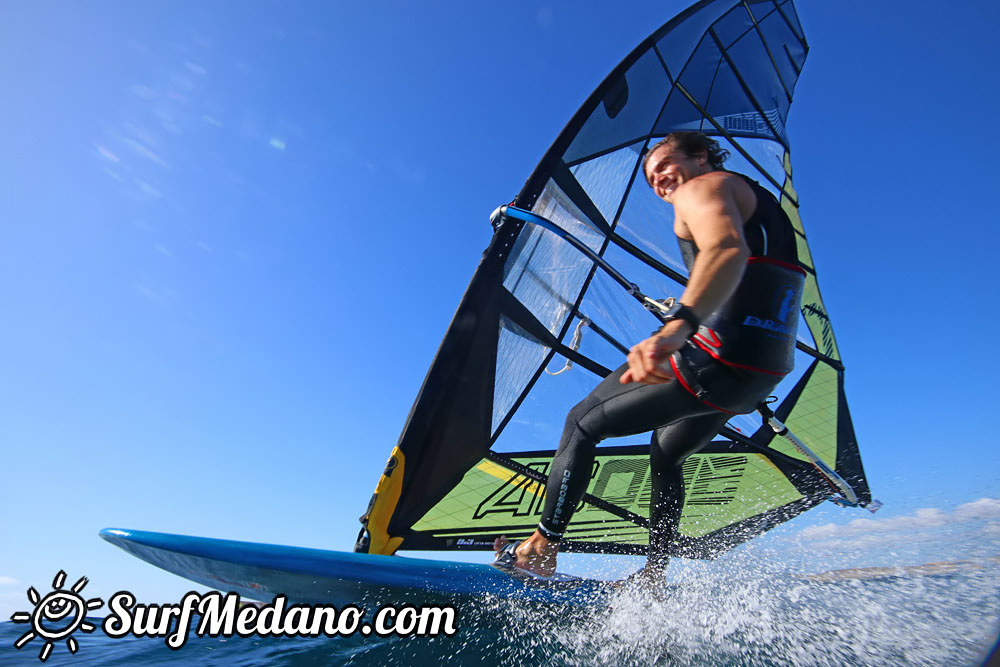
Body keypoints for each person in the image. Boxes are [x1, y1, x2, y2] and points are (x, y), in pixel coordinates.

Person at [494, 131, 805, 579]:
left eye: (663, 164)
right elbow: (755, 277)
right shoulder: (761, 206)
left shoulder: (702, 187)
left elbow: (726, 249)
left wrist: (681, 323)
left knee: (580, 423)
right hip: (758, 373)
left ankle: (542, 544)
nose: (657, 179)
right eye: (649, 176)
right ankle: (654, 574)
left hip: (713, 357)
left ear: (700, 157)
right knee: (666, 453)